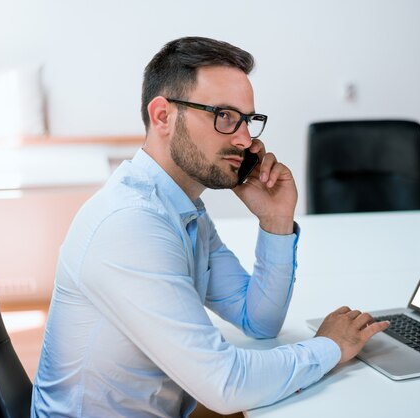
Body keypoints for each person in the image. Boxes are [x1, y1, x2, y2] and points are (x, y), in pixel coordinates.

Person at [31, 36, 389, 418]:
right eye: (224, 116)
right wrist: (330, 347)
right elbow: (226, 385)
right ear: (163, 116)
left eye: (247, 120)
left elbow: (260, 321)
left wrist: (275, 221)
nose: (246, 139)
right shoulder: (131, 224)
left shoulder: (186, 210)